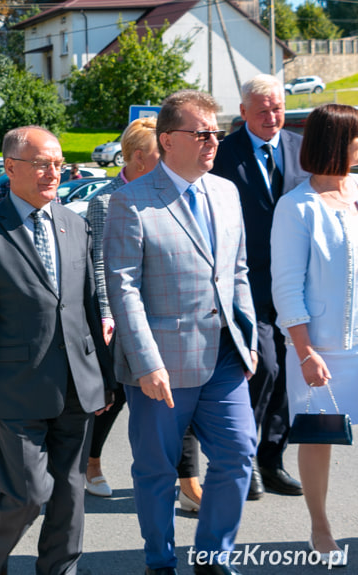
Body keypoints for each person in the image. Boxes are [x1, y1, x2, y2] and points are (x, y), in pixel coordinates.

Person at [104, 90, 258, 575]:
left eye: (216, 132)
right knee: (155, 471)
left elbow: (237, 273)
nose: (212, 142)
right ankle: (160, 560)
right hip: (161, 366)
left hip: (225, 359)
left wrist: (248, 340)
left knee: (237, 455)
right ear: (168, 140)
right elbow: (123, 289)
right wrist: (146, 361)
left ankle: (212, 556)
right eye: (201, 133)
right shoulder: (130, 202)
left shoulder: (227, 193)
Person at [0, 125, 115, 575]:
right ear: (12, 168)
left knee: (71, 495)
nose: (53, 173)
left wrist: (103, 378)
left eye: (58, 164)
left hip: (77, 386)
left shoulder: (74, 224)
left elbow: (87, 304)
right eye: (42, 163)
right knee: (29, 495)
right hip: (15, 390)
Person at [86, 117, 205, 511]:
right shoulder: (106, 200)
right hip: (124, 320)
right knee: (114, 399)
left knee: (177, 398)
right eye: (161, 153)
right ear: (139, 158)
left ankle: (188, 483)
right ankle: (91, 460)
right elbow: (103, 268)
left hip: (170, 321)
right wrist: (108, 315)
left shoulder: (176, 194)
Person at [211, 74, 309, 500]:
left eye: (278, 108)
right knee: (263, 365)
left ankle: (272, 459)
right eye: (263, 110)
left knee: (289, 373)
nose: (272, 117)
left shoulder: (299, 148)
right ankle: (242, 456)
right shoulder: (223, 154)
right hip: (246, 282)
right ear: (245, 112)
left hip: (297, 280)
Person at [270, 103, 358, 569]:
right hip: (320, 349)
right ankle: (320, 527)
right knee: (319, 437)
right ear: (338, 142)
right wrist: (304, 350)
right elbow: (286, 285)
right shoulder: (296, 205)